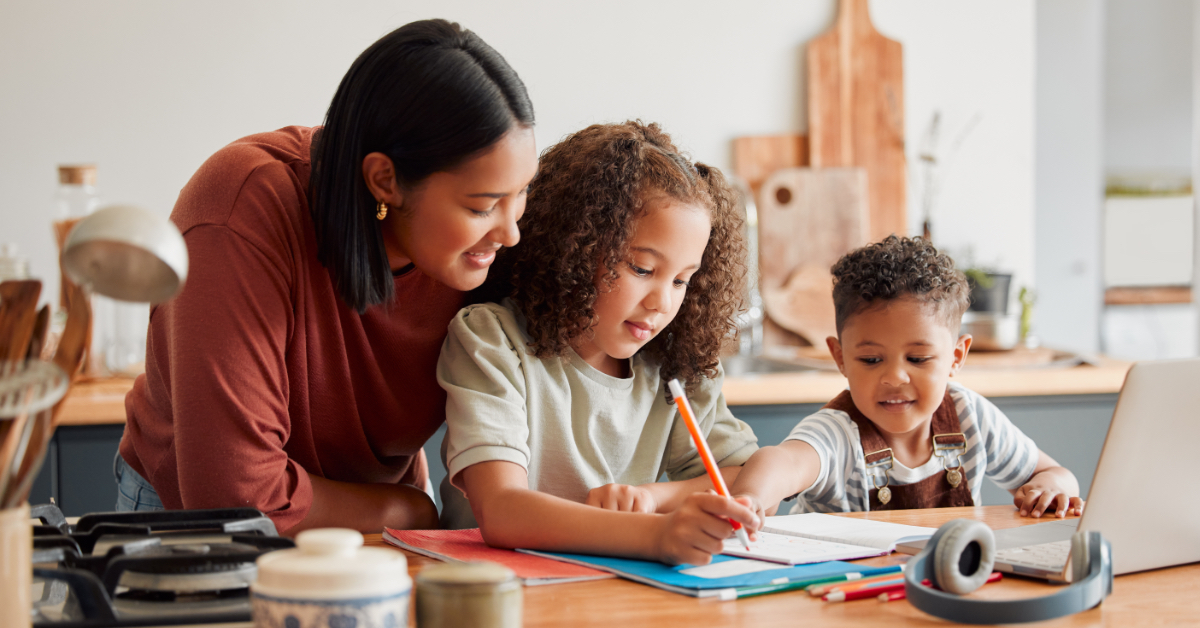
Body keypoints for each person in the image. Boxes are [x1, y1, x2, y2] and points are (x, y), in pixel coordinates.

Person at [115, 19, 538, 535]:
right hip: (203, 531)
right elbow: (239, 498)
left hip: (377, 512)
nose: (511, 232)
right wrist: (410, 509)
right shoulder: (239, 213)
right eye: (483, 206)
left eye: (520, 195)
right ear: (385, 180)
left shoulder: (474, 248)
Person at [437, 121, 761, 565]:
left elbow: (744, 478)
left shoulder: (674, 367)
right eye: (643, 269)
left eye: (683, 280)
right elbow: (501, 510)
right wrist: (653, 533)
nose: (662, 302)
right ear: (576, 247)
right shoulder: (494, 341)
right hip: (488, 588)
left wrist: (653, 497)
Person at [730, 236, 1085, 519]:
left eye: (918, 358)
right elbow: (783, 461)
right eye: (871, 359)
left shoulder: (969, 415)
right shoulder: (836, 434)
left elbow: (1052, 473)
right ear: (840, 357)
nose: (895, 377)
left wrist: (1051, 488)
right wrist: (751, 497)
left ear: (955, 357)